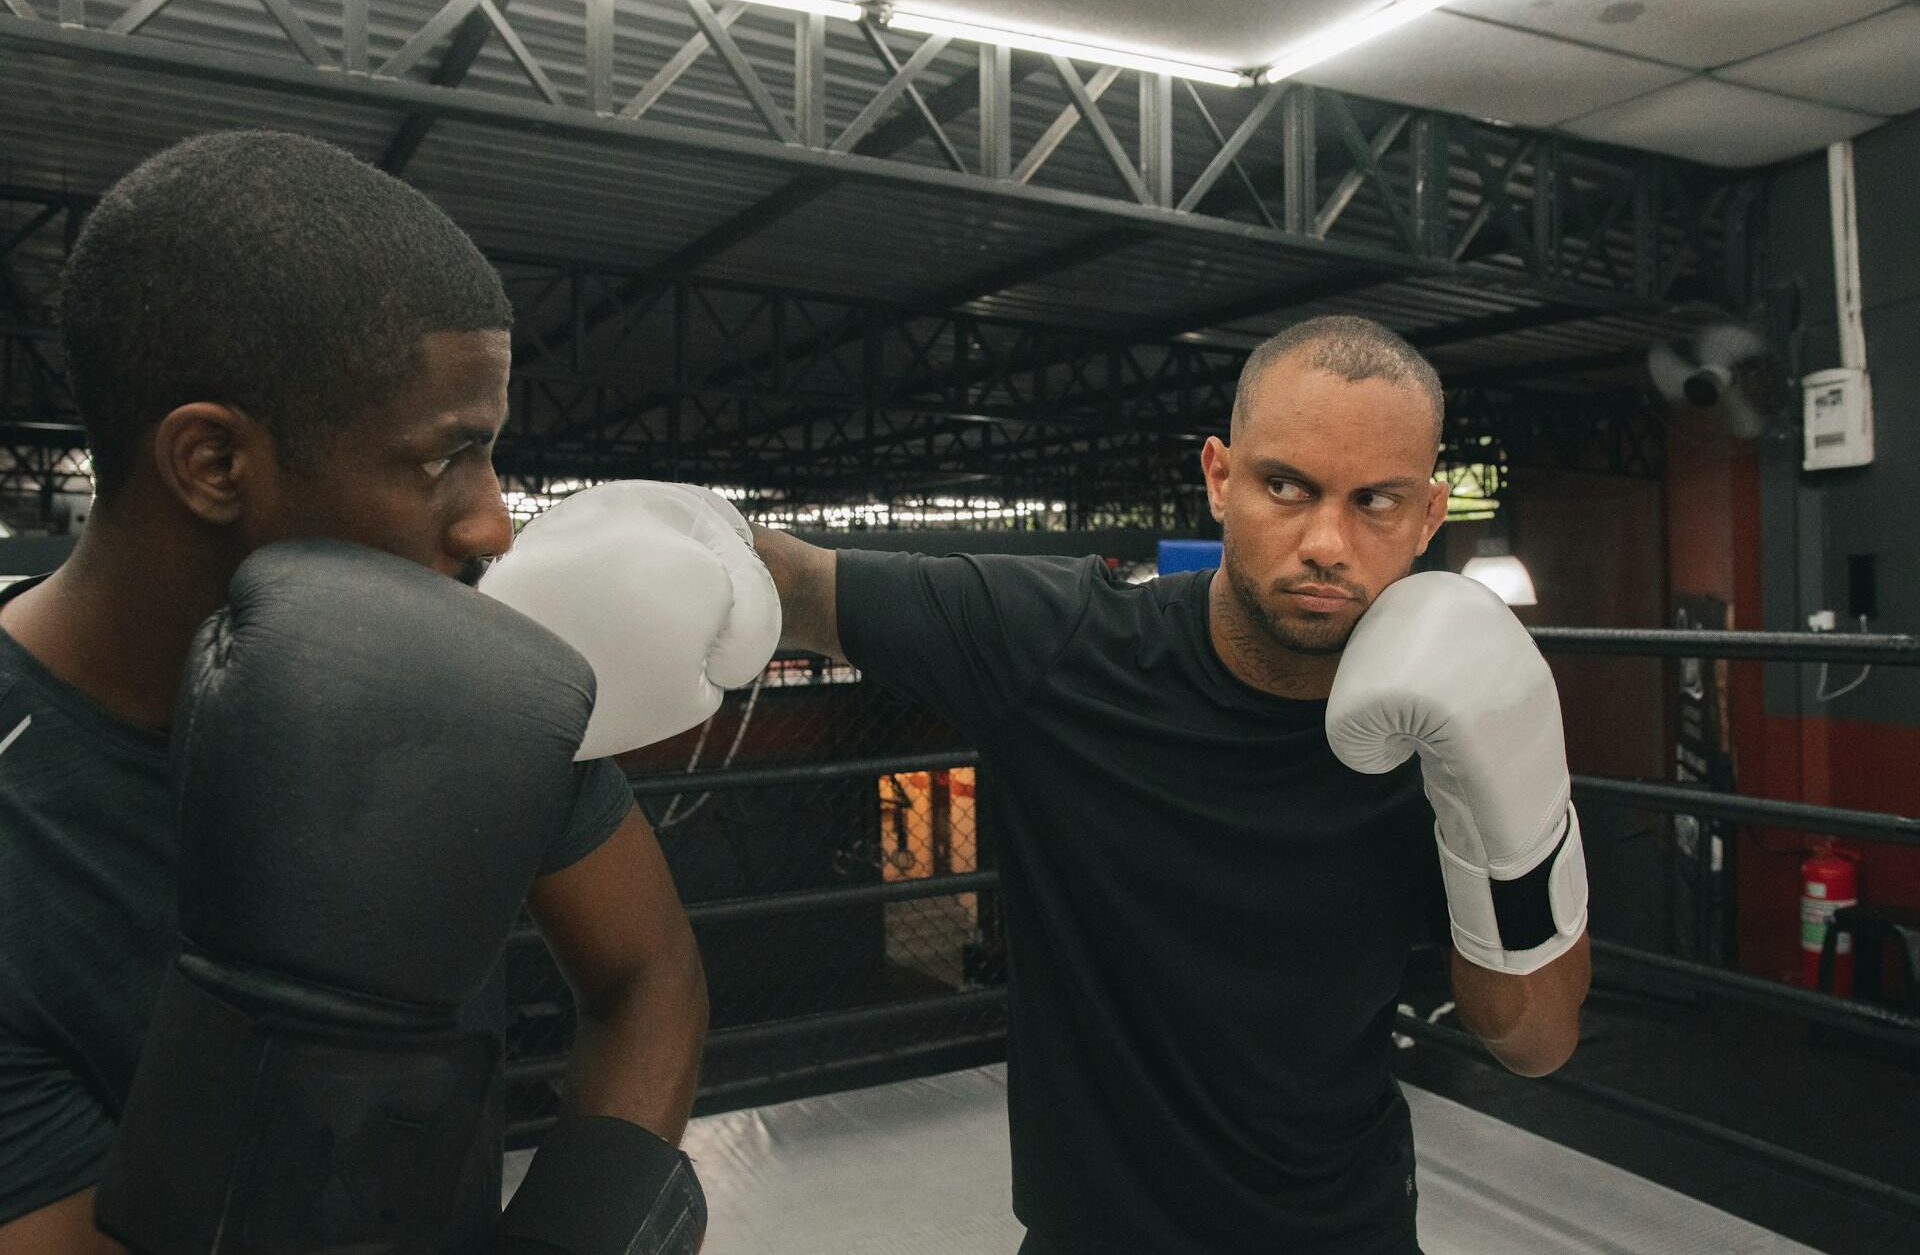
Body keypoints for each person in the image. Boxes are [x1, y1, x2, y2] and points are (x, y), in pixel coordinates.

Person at [0, 131, 735, 1252]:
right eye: (445, 457)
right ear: (212, 463)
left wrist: (581, 1227)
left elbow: (647, 971)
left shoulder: (471, 670)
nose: (495, 520)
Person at [739, 314, 1591, 1254]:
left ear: (1429, 516)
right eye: (1286, 487)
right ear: (1219, 477)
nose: (1326, 542)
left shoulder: (1445, 727)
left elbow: (1535, 1040)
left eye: (1375, 503)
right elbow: (801, 585)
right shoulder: (1061, 649)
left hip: (1347, 1233)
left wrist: (1512, 807)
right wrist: (635, 551)